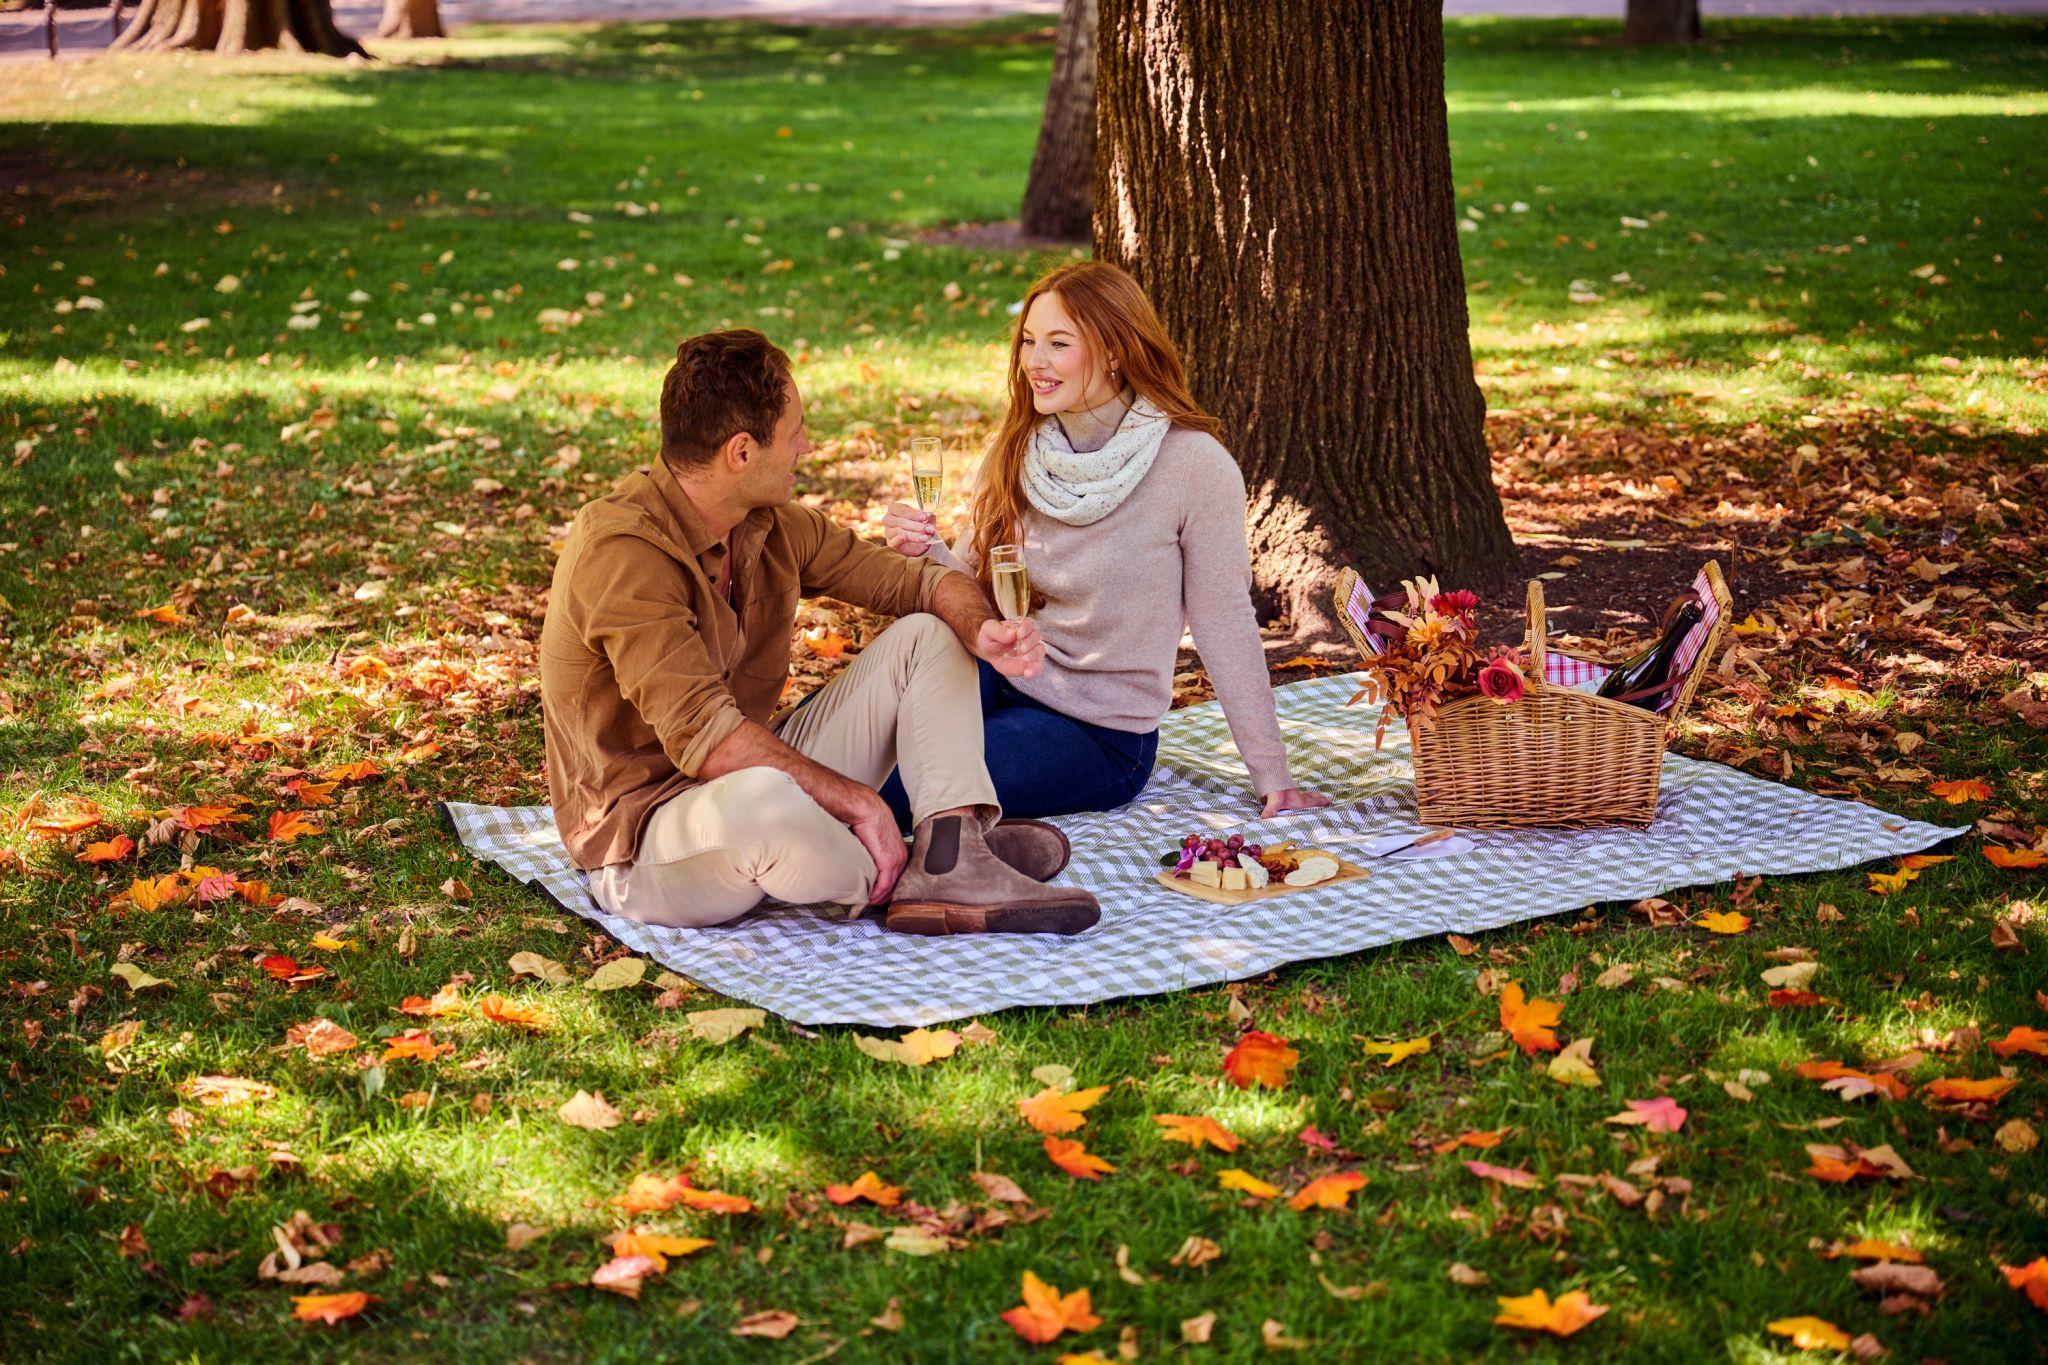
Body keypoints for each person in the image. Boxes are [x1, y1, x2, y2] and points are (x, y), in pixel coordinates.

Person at [539, 328, 1099, 936]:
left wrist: (982, 628)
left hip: (743, 775)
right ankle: (917, 869)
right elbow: (712, 742)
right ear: (742, 452)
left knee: (928, 635)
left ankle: (948, 853)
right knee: (767, 809)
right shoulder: (623, 552)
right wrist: (860, 803)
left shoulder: (768, 525)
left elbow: (918, 582)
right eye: (795, 431)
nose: (806, 445)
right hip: (646, 836)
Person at [880, 261, 1330, 823]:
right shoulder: (1017, 448)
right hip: (997, 675)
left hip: (1096, 733)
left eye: (1058, 343)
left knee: (901, 786)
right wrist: (926, 551)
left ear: (1115, 352)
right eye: (1028, 342)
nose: (1034, 362)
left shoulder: (1192, 464)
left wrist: (1274, 777)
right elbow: (972, 588)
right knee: (848, 749)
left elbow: (1225, 622)